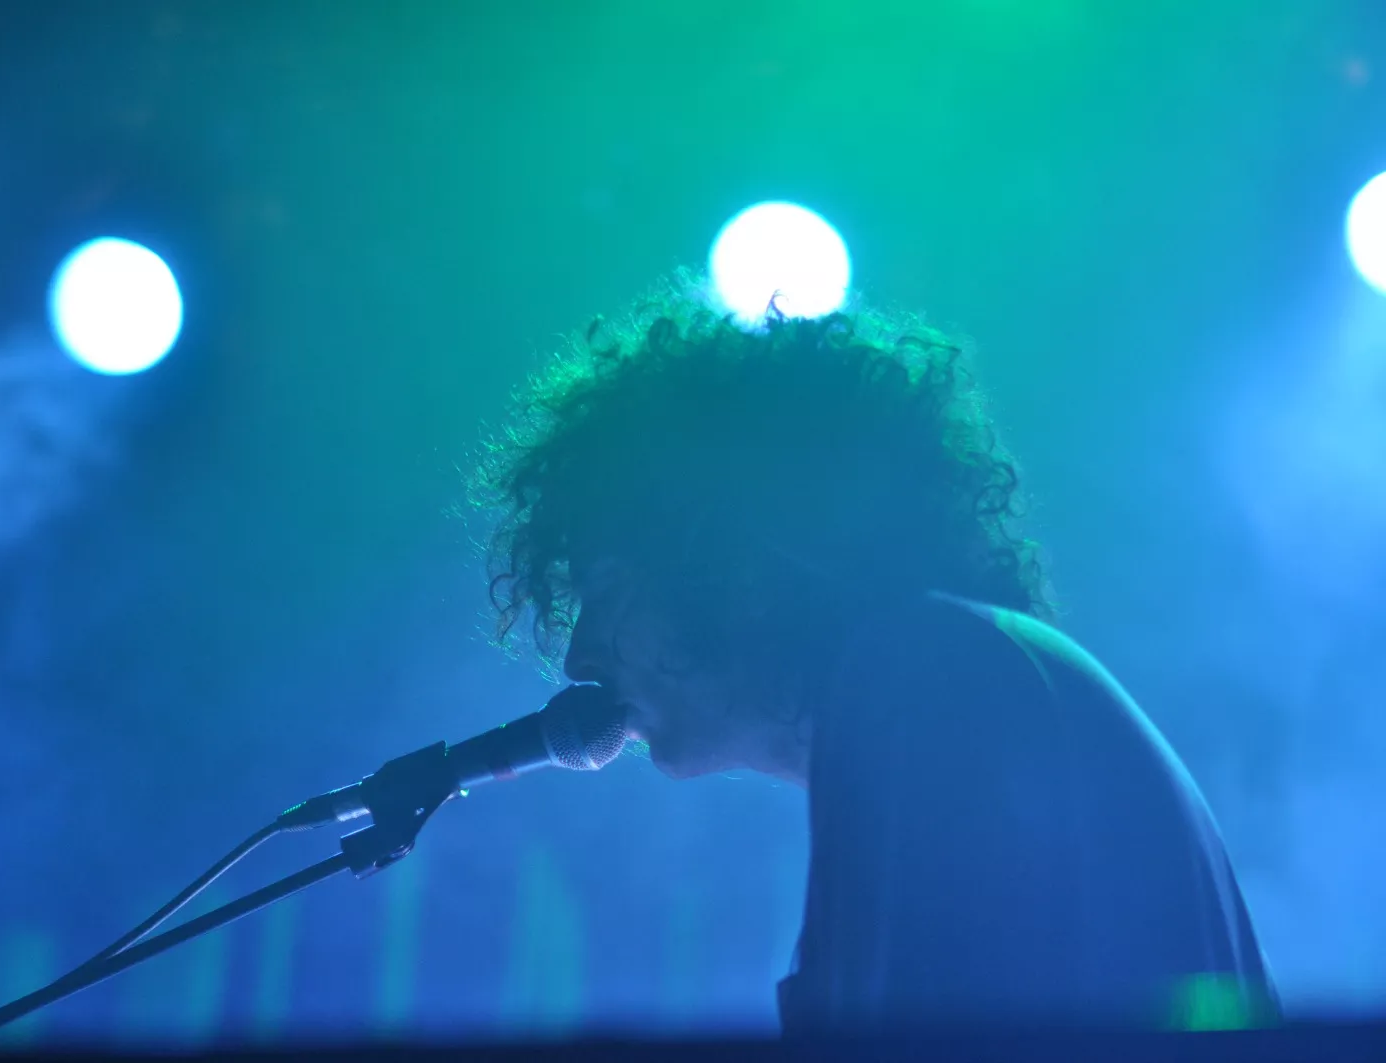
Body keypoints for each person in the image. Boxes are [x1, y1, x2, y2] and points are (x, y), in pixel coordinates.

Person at [468, 272, 1278, 1033]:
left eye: (608, 593)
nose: (578, 656)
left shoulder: (923, 673)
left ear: (732, 563)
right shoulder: (933, 676)